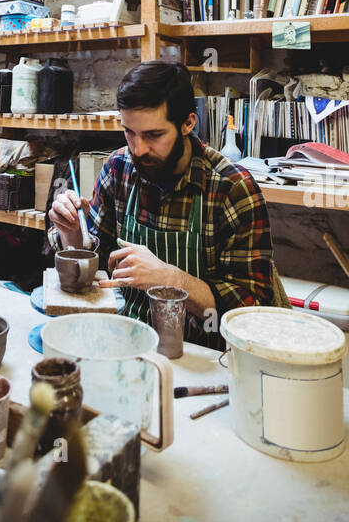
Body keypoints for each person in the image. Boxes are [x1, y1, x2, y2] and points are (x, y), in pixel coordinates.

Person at [48, 61, 288, 346]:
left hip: (203, 354)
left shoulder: (232, 189)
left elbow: (252, 310)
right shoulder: (118, 168)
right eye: (129, 132)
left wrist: (172, 280)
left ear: (188, 123)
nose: (138, 149)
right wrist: (73, 233)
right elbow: (97, 265)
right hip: (126, 337)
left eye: (153, 135)